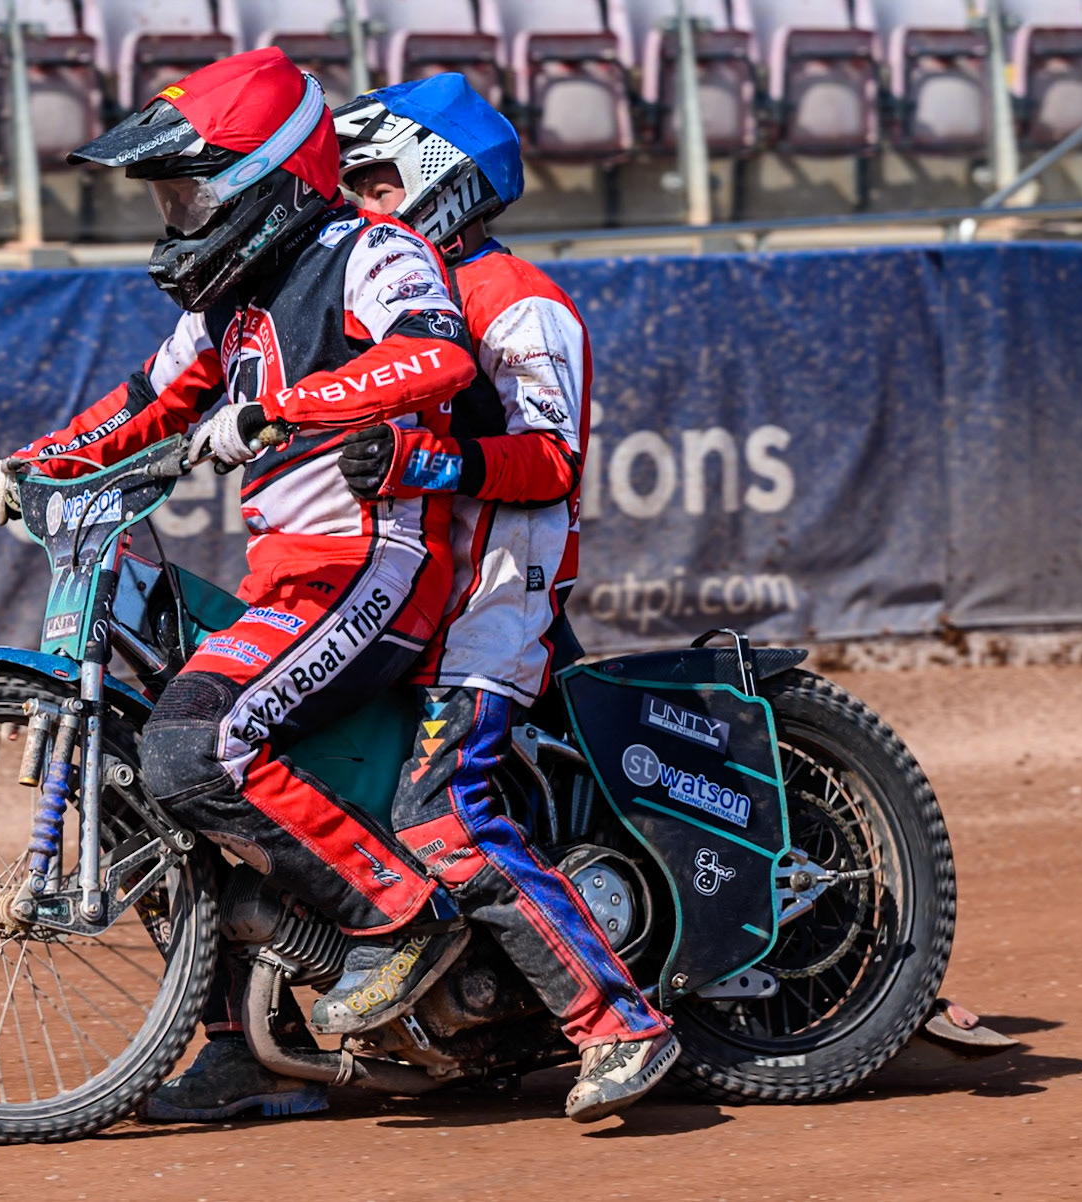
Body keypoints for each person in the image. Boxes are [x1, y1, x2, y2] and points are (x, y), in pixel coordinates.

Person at [0, 49, 480, 1120]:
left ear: (269, 179)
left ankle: (400, 915)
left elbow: (434, 357)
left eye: (188, 190)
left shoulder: (369, 250)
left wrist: (285, 412)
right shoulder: (227, 306)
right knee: (140, 768)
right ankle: (240, 1038)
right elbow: (140, 407)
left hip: (375, 559)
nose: (173, 216)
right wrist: (37, 462)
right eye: (166, 195)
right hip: (289, 582)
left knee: (195, 744)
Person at [323, 75, 679, 1123]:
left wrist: (423, 464)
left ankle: (621, 1023)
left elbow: (549, 461)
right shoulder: (394, 298)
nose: (361, 201)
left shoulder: (515, 296)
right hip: (405, 594)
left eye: (379, 178)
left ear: (443, 179)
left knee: (443, 809)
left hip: (496, 594)